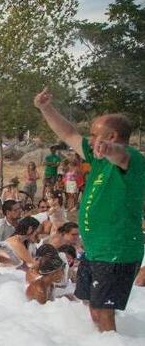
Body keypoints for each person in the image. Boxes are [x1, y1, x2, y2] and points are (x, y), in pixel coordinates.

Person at [35, 87, 145, 331]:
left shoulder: (133, 159)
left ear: (113, 136)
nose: (91, 139)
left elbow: (122, 156)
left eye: (95, 135)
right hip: (95, 250)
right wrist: (46, 108)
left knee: (104, 312)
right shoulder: (96, 158)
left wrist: (109, 150)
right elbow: (69, 133)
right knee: (91, 306)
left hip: (117, 251)